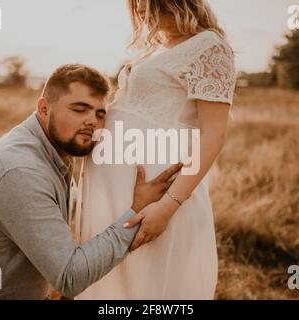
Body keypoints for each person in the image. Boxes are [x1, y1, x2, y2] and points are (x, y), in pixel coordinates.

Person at [0, 64, 182, 299]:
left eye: (99, 114)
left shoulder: (54, 151)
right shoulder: (19, 171)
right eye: (79, 109)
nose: (92, 122)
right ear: (44, 109)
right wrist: (136, 209)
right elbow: (69, 276)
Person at [75, 0, 236, 299]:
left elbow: (214, 134)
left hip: (159, 197)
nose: (139, 14)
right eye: (136, 7)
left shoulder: (208, 45)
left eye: (146, 6)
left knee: (151, 285)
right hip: (116, 193)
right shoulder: (157, 49)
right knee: (116, 285)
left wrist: (168, 206)